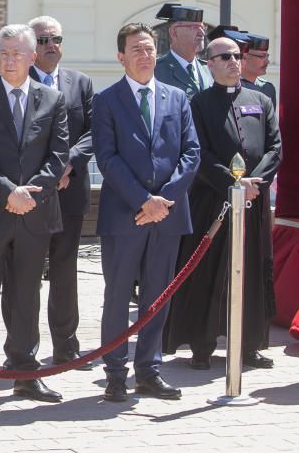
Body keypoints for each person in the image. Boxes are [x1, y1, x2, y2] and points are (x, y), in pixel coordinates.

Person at [0, 24, 69, 406]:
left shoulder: (52, 100)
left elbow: (58, 157)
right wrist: (9, 193)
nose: (9, 60)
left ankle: (24, 371)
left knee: (26, 297)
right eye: (4, 53)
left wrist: (29, 196)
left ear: (32, 57)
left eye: (17, 54)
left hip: (34, 217)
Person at [93, 23, 199, 403]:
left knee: (158, 295)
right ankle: (115, 373)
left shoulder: (176, 98)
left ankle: (149, 370)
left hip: (168, 215)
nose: (145, 55)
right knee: (118, 297)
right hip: (125, 215)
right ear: (121, 56)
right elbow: (107, 157)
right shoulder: (106, 101)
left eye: (150, 48)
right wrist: (143, 201)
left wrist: (163, 200)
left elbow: (191, 153)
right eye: (136, 49)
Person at [163, 32, 281, 369]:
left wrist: (255, 183)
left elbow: (274, 147)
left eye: (236, 56)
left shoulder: (261, 100)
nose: (233, 62)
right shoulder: (198, 104)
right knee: (209, 271)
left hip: (253, 202)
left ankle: (249, 345)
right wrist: (234, 184)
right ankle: (202, 345)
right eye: (225, 57)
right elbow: (199, 153)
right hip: (215, 202)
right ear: (210, 64)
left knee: (253, 272)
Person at [24, 15, 95, 368]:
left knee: (65, 271)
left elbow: (94, 131)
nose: (51, 45)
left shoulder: (80, 83)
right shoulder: (19, 82)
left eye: (56, 38)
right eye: (43, 40)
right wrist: (50, 173)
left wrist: (71, 163)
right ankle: (25, 349)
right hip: (34, 193)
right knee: (28, 271)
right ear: (30, 48)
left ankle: (66, 344)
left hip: (70, 192)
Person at [154, 3, 211, 98]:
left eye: (202, 27)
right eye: (194, 27)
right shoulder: (156, 71)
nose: (202, 33)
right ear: (174, 32)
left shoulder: (210, 69)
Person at [240, 32, 277, 108]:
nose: (267, 62)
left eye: (267, 56)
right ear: (244, 57)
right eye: (261, 56)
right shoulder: (231, 87)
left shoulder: (267, 89)